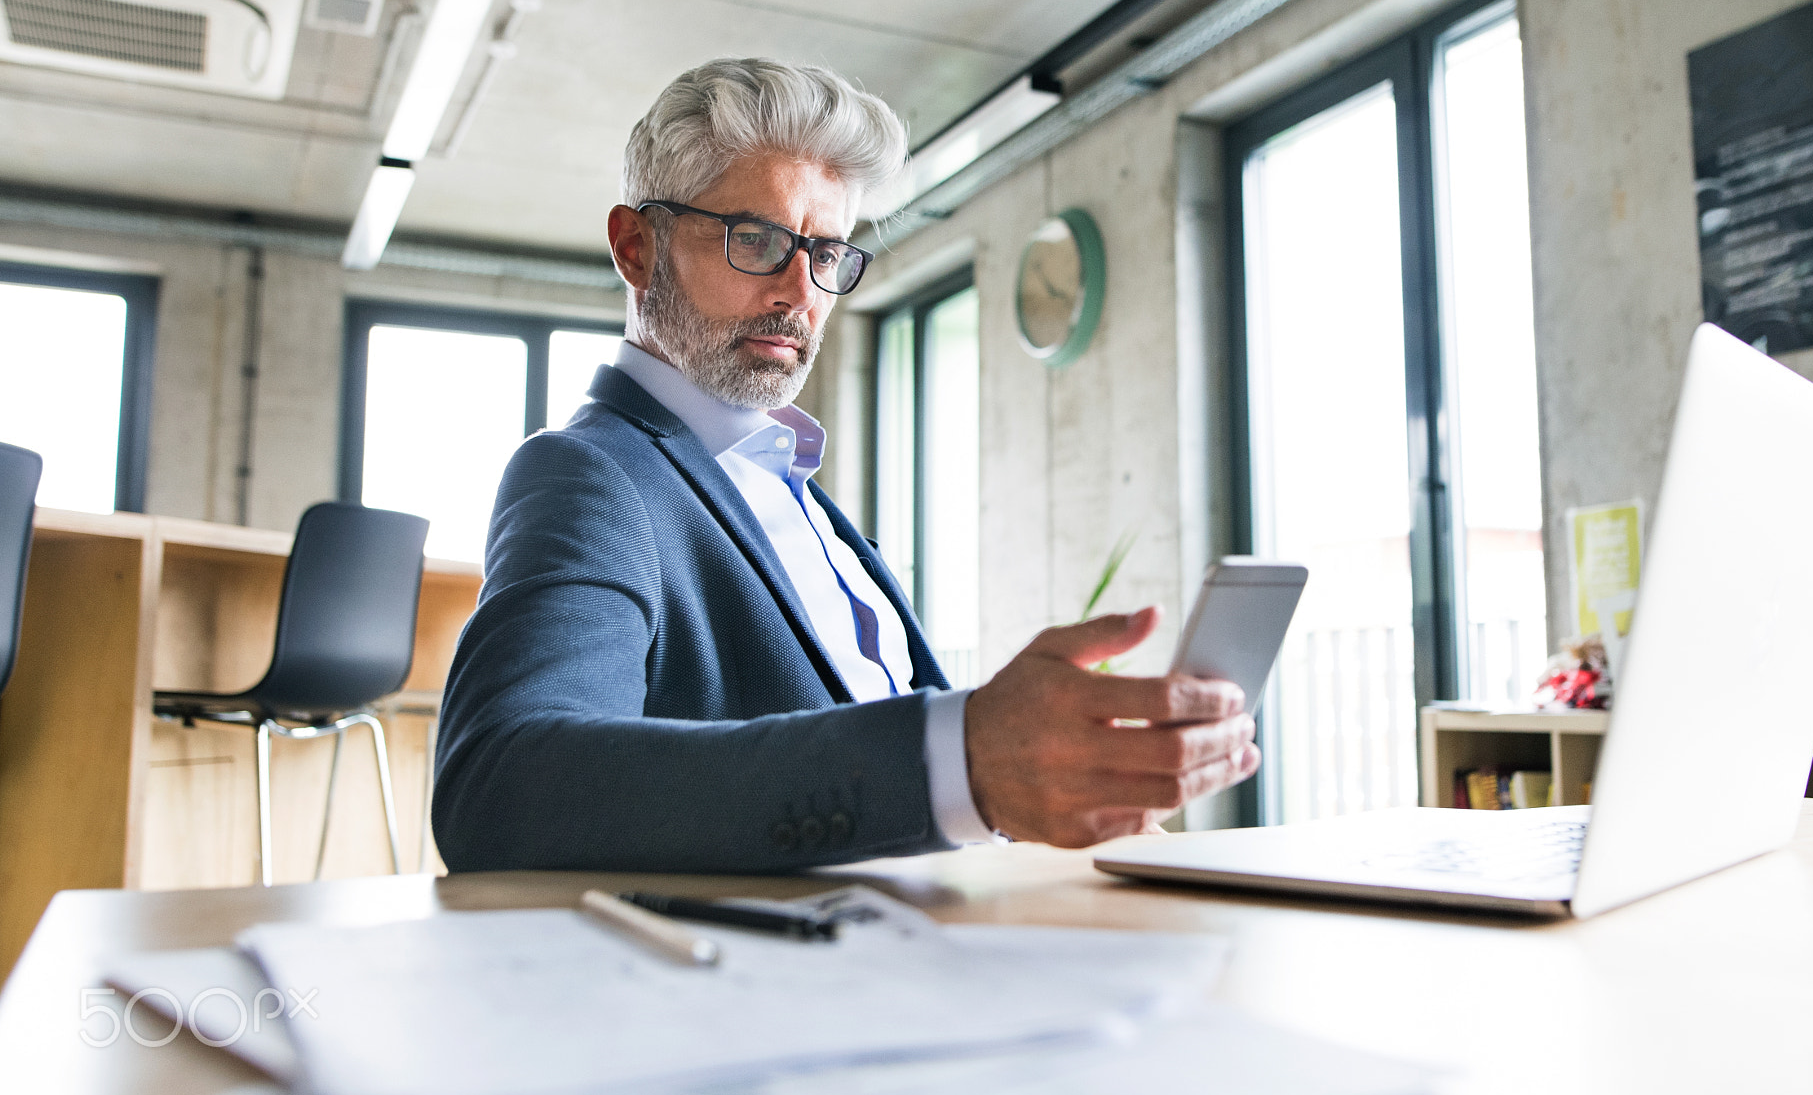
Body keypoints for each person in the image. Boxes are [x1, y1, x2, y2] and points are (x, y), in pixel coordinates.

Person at [433, 58, 1258, 873]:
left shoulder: (794, 488)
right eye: (756, 239)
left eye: (828, 253)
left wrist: (1035, 812)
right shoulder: (590, 476)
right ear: (637, 247)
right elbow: (503, 785)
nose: (801, 290)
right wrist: (962, 761)